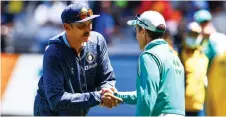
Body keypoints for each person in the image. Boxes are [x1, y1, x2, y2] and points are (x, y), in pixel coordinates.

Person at [33, 3, 122, 116]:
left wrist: (107, 91)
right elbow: (56, 99)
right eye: (81, 26)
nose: (88, 30)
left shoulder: (98, 41)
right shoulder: (53, 53)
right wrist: (99, 97)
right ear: (66, 27)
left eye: (90, 24)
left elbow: (107, 78)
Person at [103, 10, 185, 116]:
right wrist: (118, 95)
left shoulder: (149, 56)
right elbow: (149, 94)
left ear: (144, 32)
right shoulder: (173, 56)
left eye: (136, 31)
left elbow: (147, 99)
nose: (136, 37)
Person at [194, 9, 226, 116]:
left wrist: (209, 37)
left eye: (206, 22)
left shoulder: (220, 38)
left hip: (220, 83)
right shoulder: (196, 41)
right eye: (202, 23)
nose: (204, 25)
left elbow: (220, 58)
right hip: (204, 85)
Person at [179, 22, 208, 116]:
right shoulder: (177, 55)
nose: (193, 37)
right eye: (191, 34)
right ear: (185, 35)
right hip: (181, 108)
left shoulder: (204, 55)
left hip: (200, 107)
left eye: (196, 35)